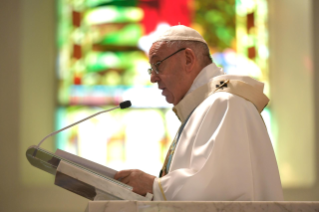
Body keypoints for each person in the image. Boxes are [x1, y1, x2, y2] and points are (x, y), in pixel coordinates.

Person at [114, 25, 284, 201]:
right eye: (151, 70)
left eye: (158, 65)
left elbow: (221, 189)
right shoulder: (204, 108)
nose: (153, 78)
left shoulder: (226, 103)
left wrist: (153, 186)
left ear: (188, 59)